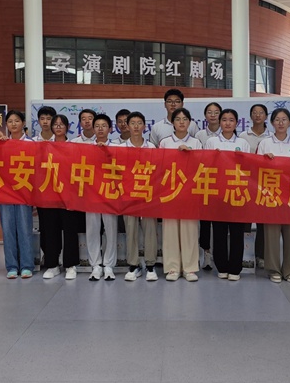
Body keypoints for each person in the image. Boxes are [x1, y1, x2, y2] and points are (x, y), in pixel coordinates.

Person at [257, 108, 290, 283]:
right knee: (271, 233)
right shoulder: (265, 144)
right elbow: (256, 167)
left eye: (284, 119)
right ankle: (273, 269)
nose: (281, 123)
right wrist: (265, 160)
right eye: (277, 119)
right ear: (272, 123)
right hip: (271, 193)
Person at [204, 108, 251, 281]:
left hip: (238, 192)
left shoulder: (243, 143)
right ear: (220, 122)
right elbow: (205, 166)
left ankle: (235, 268)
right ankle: (221, 266)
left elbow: (249, 168)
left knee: (237, 232)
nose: (227, 123)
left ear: (237, 123)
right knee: (219, 232)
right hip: (218, 193)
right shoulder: (211, 142)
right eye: (224, 120)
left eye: (231, 120)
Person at [159, 107, 202, 281]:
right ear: (173, 123)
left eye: (185, 119)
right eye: (178, 119)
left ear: (190, 122)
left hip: (189, 191)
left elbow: (202, 166)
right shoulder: (165, 142)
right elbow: (159, 166)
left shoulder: (196, 142)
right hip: (169, 191)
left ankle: (190, 268)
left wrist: (190, 155)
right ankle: (172, 268)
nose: (182, 122)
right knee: (170, 230)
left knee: (189, 230)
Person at [0, 110, 35, 279]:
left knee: (25, 229)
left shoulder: (32, 144)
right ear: (6, 125)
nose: (13, 124)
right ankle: (11, 266)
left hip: (25, 191)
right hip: (5, 192)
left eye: (17, 121)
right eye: (10, 121)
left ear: (23, 123)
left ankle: (26, 265)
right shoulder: (2, 143)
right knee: (8, 229)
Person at [40, 114, 80, 280]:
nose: (58, 127)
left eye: (61, 124)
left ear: (67, 127)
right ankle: (52, 264)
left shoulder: (74, 146)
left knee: (70, 230)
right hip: (49, 194)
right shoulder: (44, 147)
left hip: (68, 195)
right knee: (50, 230)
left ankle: (70, 265)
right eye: (55, 124)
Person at [120, 111, 159, 281]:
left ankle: (150, 265)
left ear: (145, 126)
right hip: (128, 194)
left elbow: (158, 171)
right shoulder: (120, 148)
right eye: (132, 123)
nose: (136, 126)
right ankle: (133, 265)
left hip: (148, 194)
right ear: (127, 126)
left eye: (139, 123)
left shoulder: (152, 147)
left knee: (150, 229)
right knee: (131, 229)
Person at [83, 113, 119, 280]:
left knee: (111, 229)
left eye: (104, 126)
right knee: (92, 229)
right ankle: (96, 265)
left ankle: (109, 265)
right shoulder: (85, 147)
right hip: (91, 193)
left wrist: (108, 152)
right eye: (97, 126)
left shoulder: (117, 147)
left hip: (110, 193)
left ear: (110, 129)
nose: (100, 129)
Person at [240, 103, 271, 269]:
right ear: (250, 116)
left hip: (265, 183)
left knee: (263, 221)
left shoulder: (272, 137)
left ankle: (261, 255)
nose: (258, 115)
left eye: (261, 112)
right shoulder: (243, 136)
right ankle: (246, 255)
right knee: (245, 221)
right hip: (246, 182)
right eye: (254, 112)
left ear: (266, 116)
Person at [194, 102, 222, 271]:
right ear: (205, 115)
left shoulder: (228, 134)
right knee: (204, 220)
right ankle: (206, 254)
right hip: (204, 181)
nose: (213, 115)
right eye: (209, 112)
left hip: (223, 182)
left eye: (216, 112)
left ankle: (218, 254)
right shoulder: (199, 135)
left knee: (219, 220)